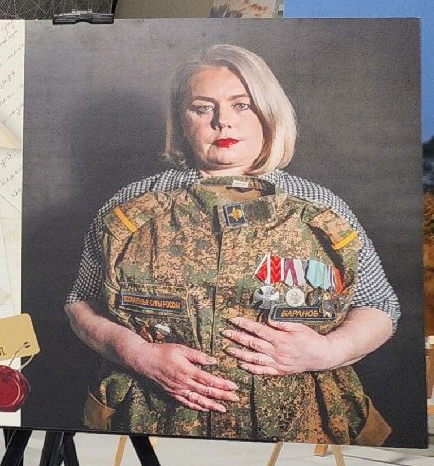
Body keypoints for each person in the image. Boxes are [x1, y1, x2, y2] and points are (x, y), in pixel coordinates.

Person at [65, 44, 401, 444]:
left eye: (242, 105)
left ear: (269, 113)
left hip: (298, 435)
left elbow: (379, 306)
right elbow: (80, 302)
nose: (223, 121)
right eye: (202, 108)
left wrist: (328, 351)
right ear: (181, 120)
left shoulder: (321, 209)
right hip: (153, 429)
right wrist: (136, 353)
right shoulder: (131, 209)